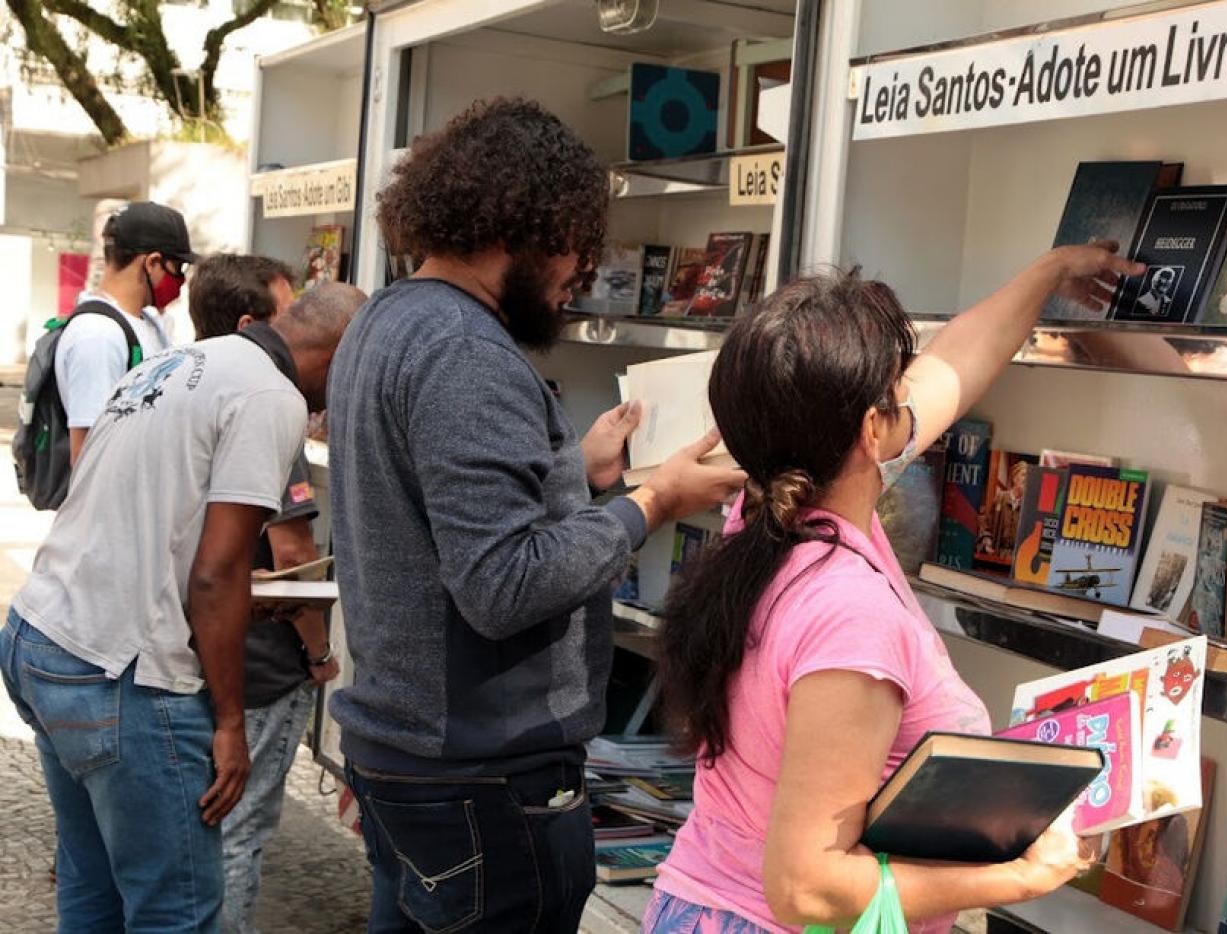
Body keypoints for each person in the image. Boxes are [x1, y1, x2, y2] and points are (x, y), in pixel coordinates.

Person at [328, 97, 745, 933]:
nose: (575, 275)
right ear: (519, 225)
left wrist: (568, 475)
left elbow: (430, 514)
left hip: (411, 757)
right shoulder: (467, 355)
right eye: (572, 248)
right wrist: (652, 500)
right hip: (483, 783)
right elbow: (501, 584)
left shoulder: (387, 319)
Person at [646, 246, 1144, 933]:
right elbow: (808, 888)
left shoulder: (761, 519)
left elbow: (954, 366)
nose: (913, 397)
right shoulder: (849, 611)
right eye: (896, 389)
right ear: (873, 429)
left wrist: (1049, 275)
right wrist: (1019, 876)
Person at [0, 282, 365, 932]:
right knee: (178, 915)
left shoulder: (178, 363)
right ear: (339, 359)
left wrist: (239, 602)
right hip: (120, 677)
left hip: (41, 637)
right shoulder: (269, 396)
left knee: (93, 890)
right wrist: (229, 724)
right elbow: (217, 573)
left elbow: (148, 533)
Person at [189, 254, 344, 933]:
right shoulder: (270, 403)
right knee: (238, 832)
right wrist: (317, 653)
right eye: (290, 314)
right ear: (254, 324)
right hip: (257, 666)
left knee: (201, 829)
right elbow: (294, 554)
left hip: (195, 657)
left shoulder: (190, 383)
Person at [60, 201, 196, 466]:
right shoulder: (98, 335)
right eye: (178, 268)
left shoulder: (145, 322)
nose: (180, 280)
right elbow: (88, 455)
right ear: (153, 263)